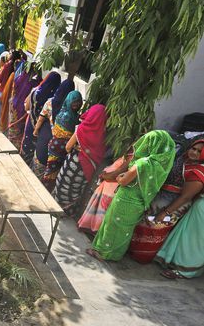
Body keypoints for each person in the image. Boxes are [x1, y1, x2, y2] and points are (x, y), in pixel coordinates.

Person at [88, 130, 176, 262]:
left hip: (126, 199)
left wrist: (120, 176)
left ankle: (103, 252)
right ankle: (116, 255)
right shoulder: (162, 166)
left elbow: (123, 180)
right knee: (125, 230)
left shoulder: (143, 163)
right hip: (140, 203)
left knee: (113, 226)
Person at [129, 137, 204, 264]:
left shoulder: (198, 171)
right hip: (162, 198)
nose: (194, 153)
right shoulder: (184, 159)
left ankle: (142, 257)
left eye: (199, 152)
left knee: (155, 229)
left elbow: (186, 197)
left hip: (173, 205)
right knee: (144, 225)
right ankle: (133, 251)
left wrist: (166, 212)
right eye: (193, 148)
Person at [52, 104, 108, 215]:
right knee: (75, 190)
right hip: (87, 170)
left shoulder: (82, 129)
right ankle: (69, 211)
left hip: (73, 164)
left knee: (64, 185)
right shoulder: (103, 135)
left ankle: (57, 209)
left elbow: (68, 147)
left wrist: (77, 147)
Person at [31, 79, 75, 177]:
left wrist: (36, 130)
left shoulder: (50, 102)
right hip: (59, 147)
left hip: (45, 140)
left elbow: (41, 119)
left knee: (37, 170)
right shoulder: (72, 110)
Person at [41, 90, 83, 191]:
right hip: (57, 149)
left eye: (78, 102)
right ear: (69, 101)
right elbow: (67, 135)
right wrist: (74, 144)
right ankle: (44, 192)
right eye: (74, 101)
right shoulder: (67, 116)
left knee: (52, 172)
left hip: (58, 147)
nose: (76, 104)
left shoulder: (68, 112)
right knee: (50, 173)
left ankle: (46, 190)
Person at [20, 71, 61, 165]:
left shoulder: (35, 92)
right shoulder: (54, 100)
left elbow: (26, 107)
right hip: (42, 130)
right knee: (36, 151)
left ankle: (21, 164)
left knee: (27, 146)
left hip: (30, 124)